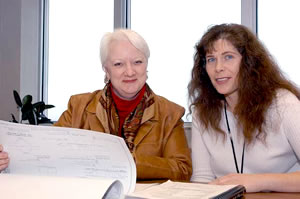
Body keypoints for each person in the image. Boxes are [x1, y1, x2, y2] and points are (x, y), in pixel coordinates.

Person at [0, 29, 192, 180]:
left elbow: (182, 169)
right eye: (118, 64)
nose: (130, 71)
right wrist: (8, 158)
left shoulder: (170, 113)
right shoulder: (78, 107)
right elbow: (47, 152)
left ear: (147, 65)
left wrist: (130, 162)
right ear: (106, 70)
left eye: (137, 62)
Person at [188, 23, 300, 192]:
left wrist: (258, 182)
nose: (218, 68)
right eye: (211, 59)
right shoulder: (201, 113)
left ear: (249, 63)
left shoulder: (284, 105)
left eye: (228, 57)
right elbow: (202, 179)